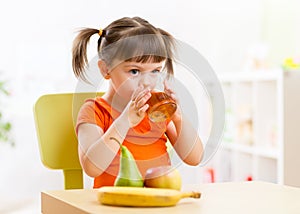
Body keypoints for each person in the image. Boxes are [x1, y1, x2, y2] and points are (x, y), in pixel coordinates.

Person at [72, 16, 203, 188]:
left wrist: (178, 118)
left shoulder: (155, 110)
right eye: (134, 71)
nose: (147, 82)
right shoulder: (95, 110)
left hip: (159, 201)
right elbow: (92, 167)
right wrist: (125, 121)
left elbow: (194, 157)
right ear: (106, 69)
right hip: (113, 204)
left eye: (155, 70)